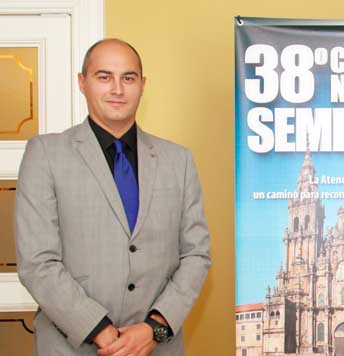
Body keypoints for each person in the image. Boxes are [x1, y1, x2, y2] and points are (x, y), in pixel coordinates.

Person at [15, 38, 211, 356]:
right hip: (72, 347)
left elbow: (196, 255)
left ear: (142, 85)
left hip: (156, 347)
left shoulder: (179, 160)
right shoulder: (45, 154)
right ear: (82, 83)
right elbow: (37, 262)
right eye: (104, 77)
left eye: (128, 78)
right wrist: (101, 331)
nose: (117, 89)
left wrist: (154, 327)